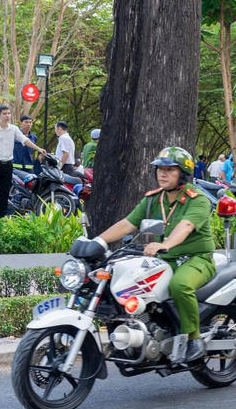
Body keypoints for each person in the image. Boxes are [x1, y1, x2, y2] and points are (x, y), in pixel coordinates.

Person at [84, 147, 216, 363]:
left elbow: (186, 225)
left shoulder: (197, 200)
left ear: (182, 173)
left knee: (179, 285)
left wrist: (165, 244)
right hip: (165, 259)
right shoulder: (154, 199)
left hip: (196, 259)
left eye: (169, 170)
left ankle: (194, 338)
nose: (162, 174)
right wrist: (97, 242)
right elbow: (127, 224)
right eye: (159, 169)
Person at [0, 104, 47, 217]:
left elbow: (25, 140)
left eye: (9, 113)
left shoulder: (13, 129)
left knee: (5, 191)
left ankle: (3, 216)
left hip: (8, 164)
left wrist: (38, 149)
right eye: (4, 113)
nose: (7, 116)